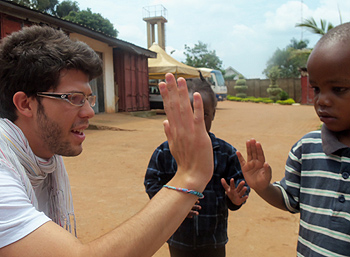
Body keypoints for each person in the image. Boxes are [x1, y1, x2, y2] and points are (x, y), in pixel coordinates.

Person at [0, 25, 214, 257]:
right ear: (25, 104)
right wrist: (189, 177)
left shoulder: (43, 161)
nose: (89, 112)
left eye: (88, 99)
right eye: (74, 98)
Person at [237, 22, 350, 256]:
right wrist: (263, 188)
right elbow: (290, 199)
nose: (322, 100)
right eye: (317, 88)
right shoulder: (306, 149)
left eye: (338, 89)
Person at [144, 75, 249, 257]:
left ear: (213, 114)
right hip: (178, 236)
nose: (196, 120)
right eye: (189, 113)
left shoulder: (226, 153)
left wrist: (236, 198)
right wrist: (172, 204)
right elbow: (152, 182)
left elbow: (240, 187)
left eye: (204, 114)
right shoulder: (165, 152)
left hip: (214, 239)